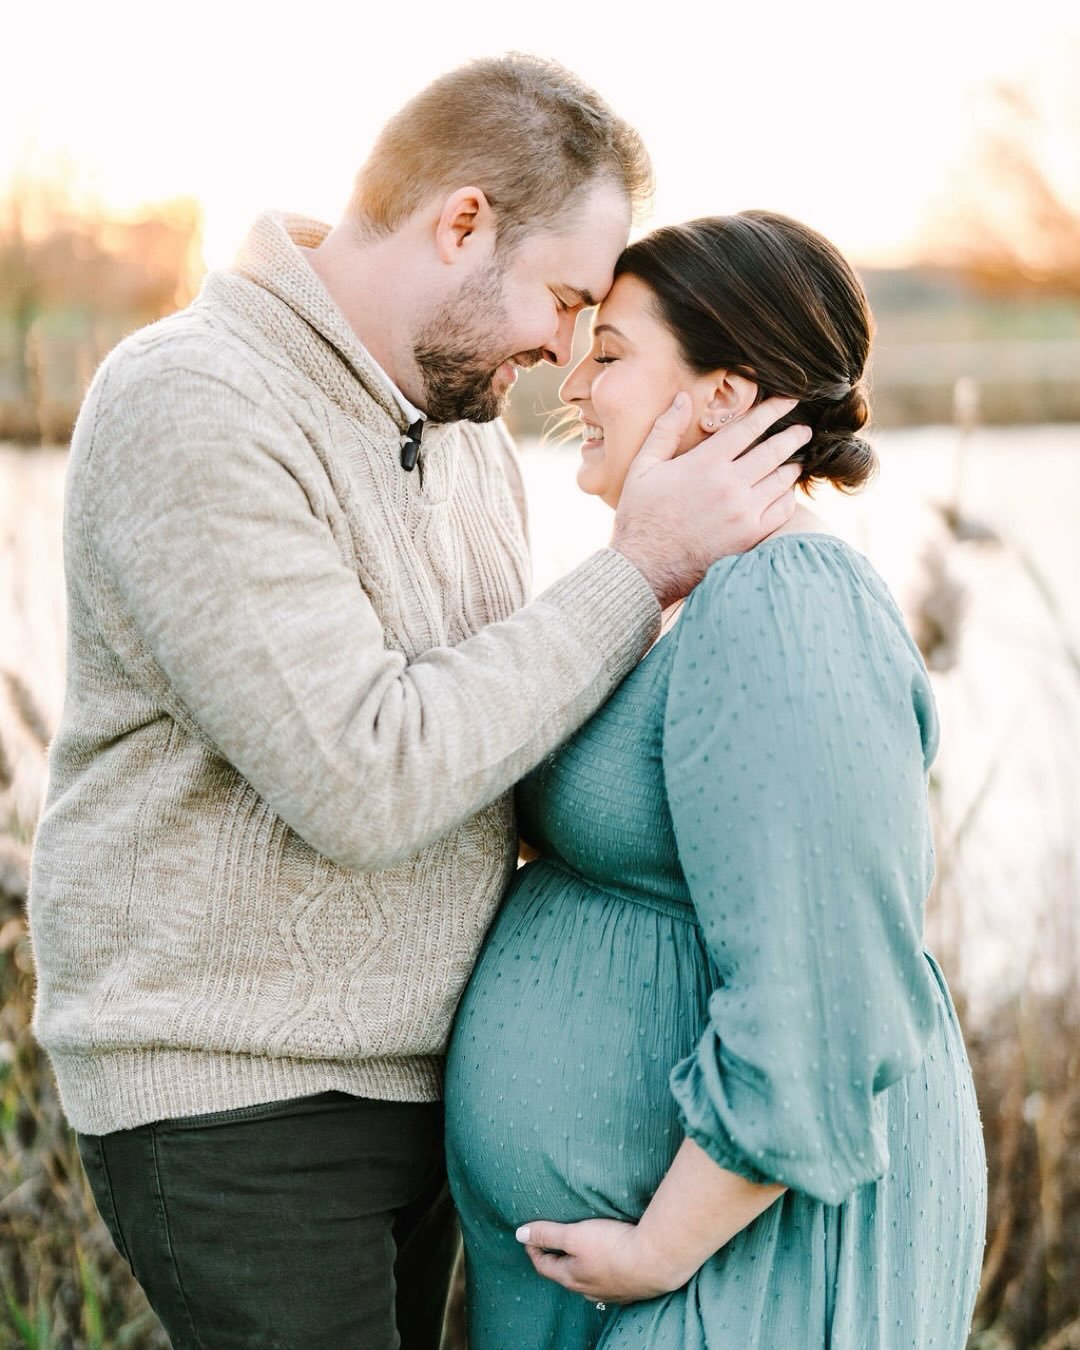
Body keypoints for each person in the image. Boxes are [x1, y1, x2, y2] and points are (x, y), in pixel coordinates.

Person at [27, 59, 806, 1350]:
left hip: (421, 1090)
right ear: (461, 223)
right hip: (240, 1102)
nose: (565, 352)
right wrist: (639, 569)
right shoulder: (195, 400)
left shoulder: (468, 437)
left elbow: (492, 739)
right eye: (565, 300)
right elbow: (366, 775)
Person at [444, 211, 988, 1349]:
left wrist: (660, 1249)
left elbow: (826, 996)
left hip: (734, 1269)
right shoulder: (687, 595)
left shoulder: (788, 601)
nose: (572, 383)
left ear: (724, 397)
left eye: (610, 355)